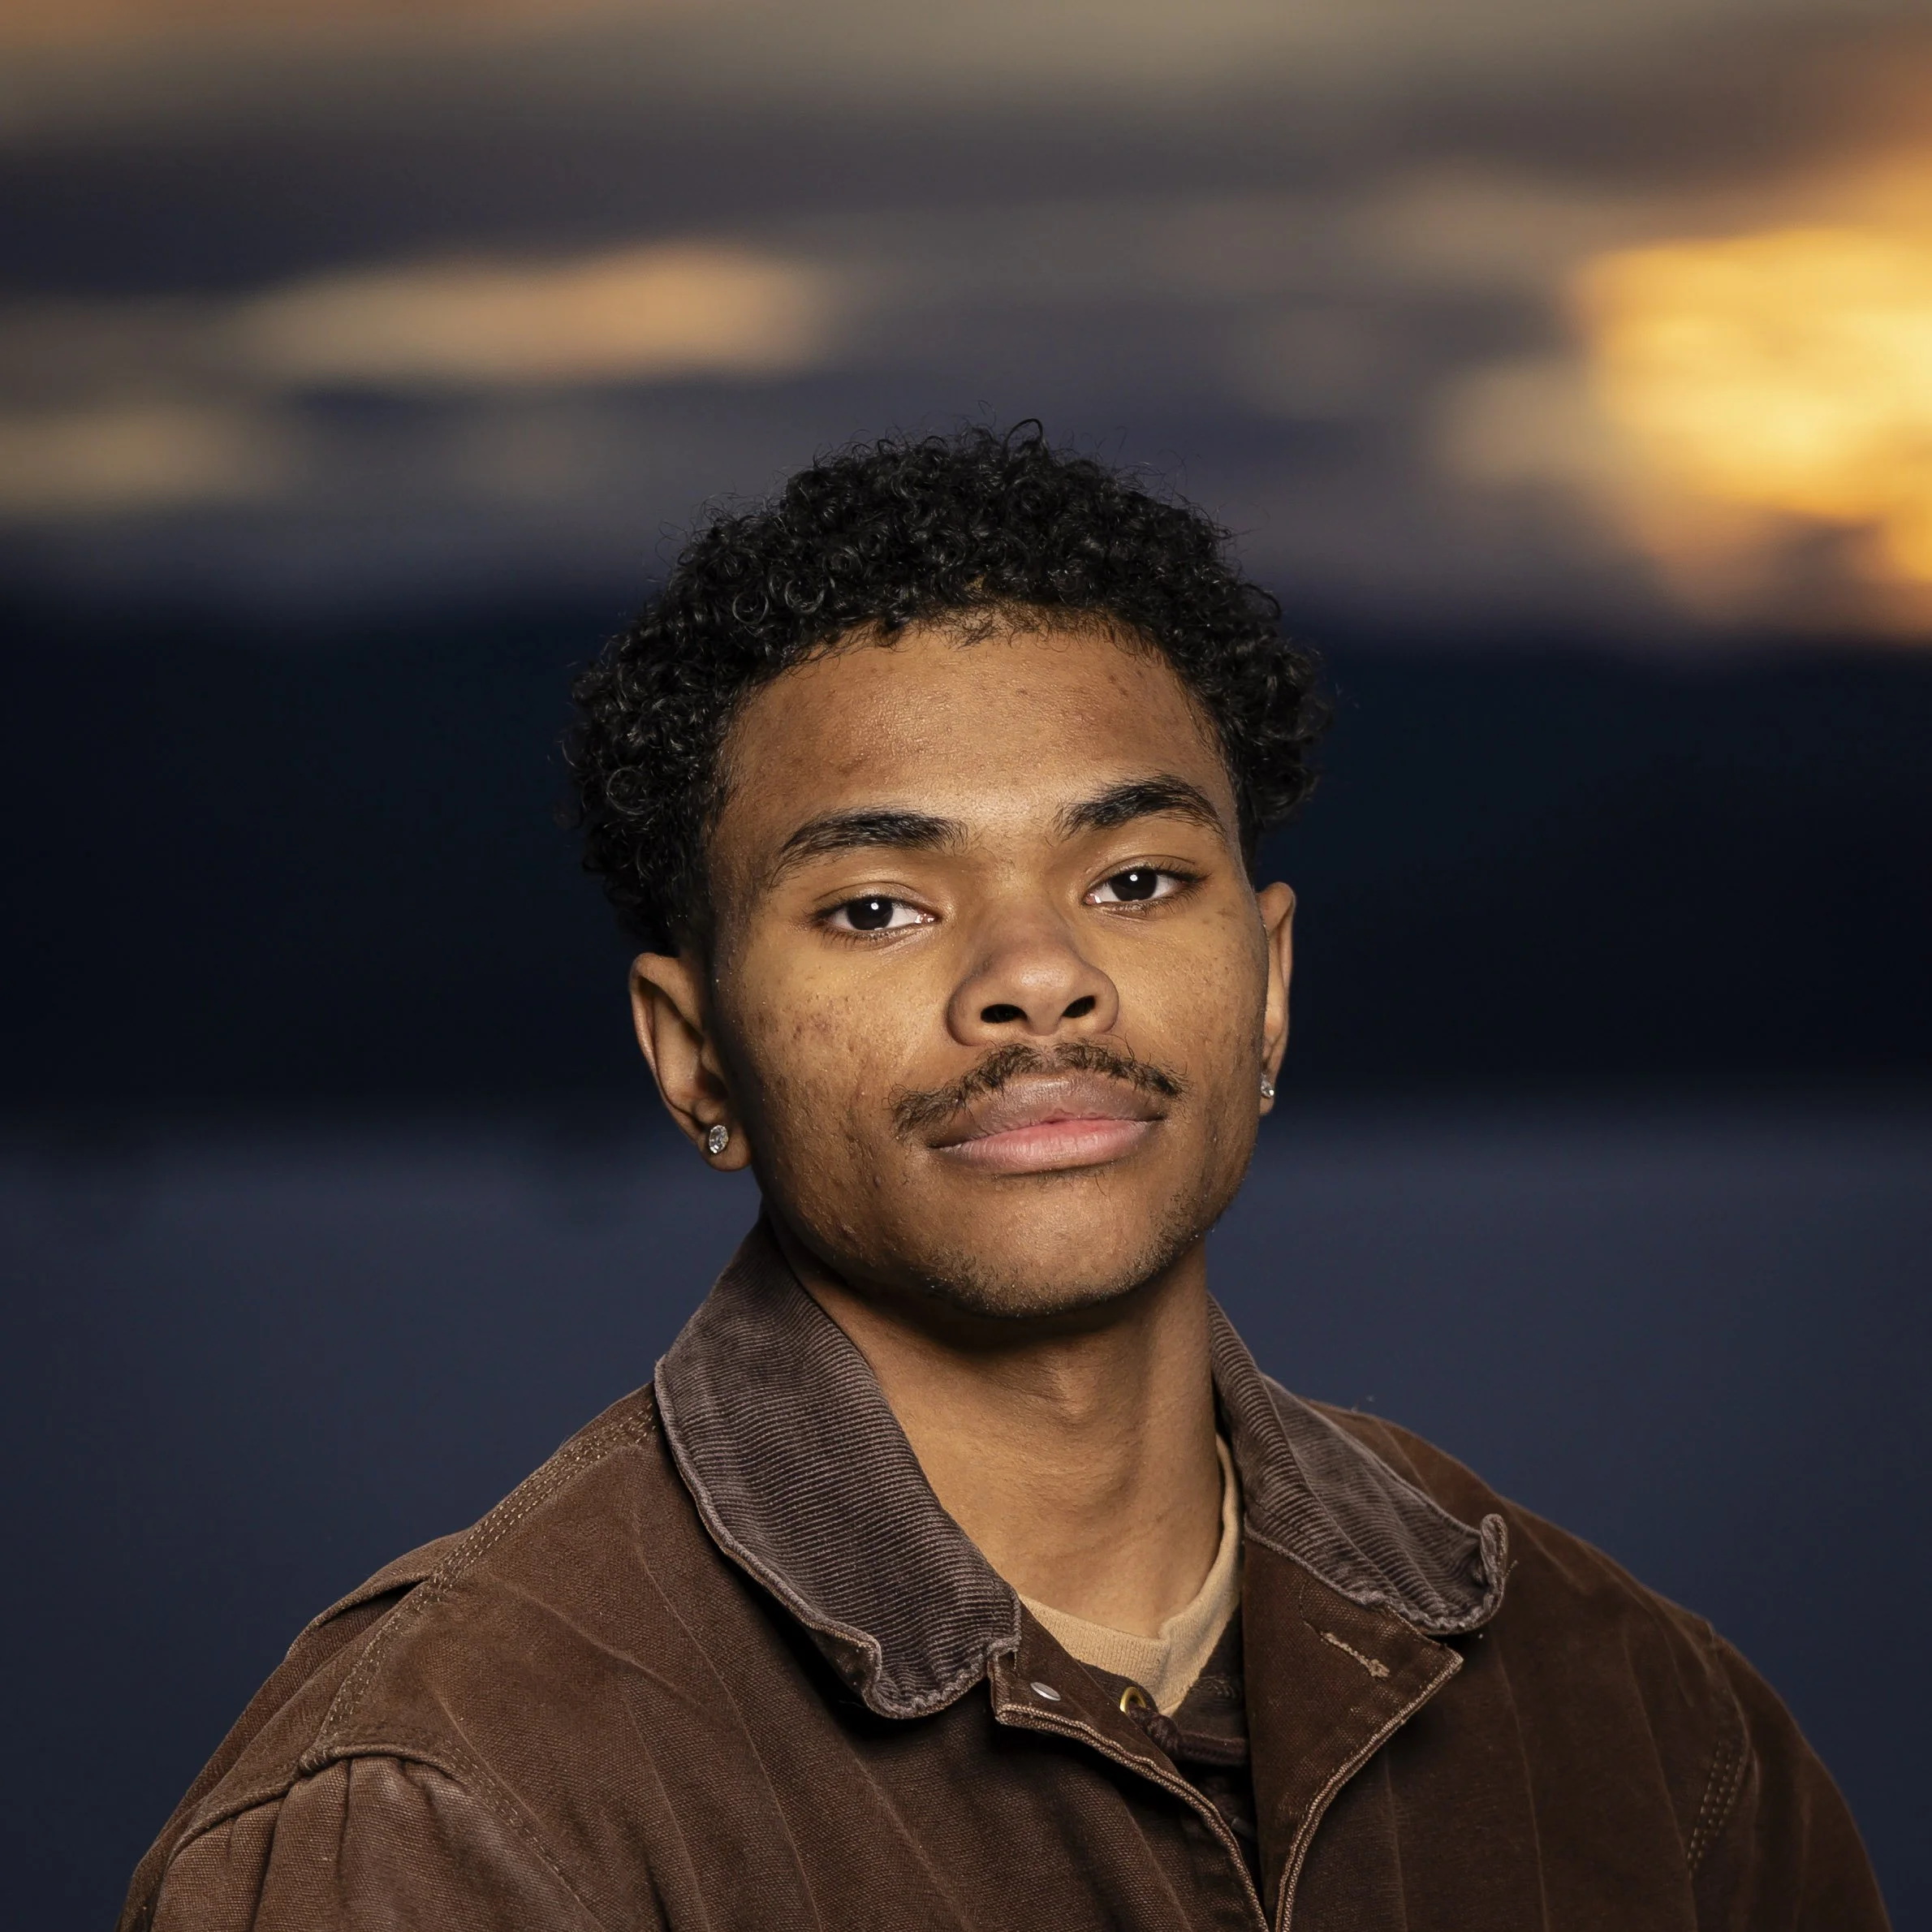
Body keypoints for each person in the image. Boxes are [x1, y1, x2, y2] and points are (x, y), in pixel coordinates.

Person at [119, 427, 1887, 1930]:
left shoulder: (1637, 1713)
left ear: (1267, 984)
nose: (1036, 974)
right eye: (878, 904)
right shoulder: (447, 1803)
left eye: (1132, 878)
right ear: (692, 1054)